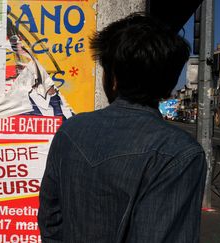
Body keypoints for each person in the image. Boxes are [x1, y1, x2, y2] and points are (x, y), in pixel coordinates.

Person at [38, 13, 207, 242]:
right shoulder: (180, 153)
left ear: (113, 78)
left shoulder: (70, 131)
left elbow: (51, 222)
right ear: (168, 88)